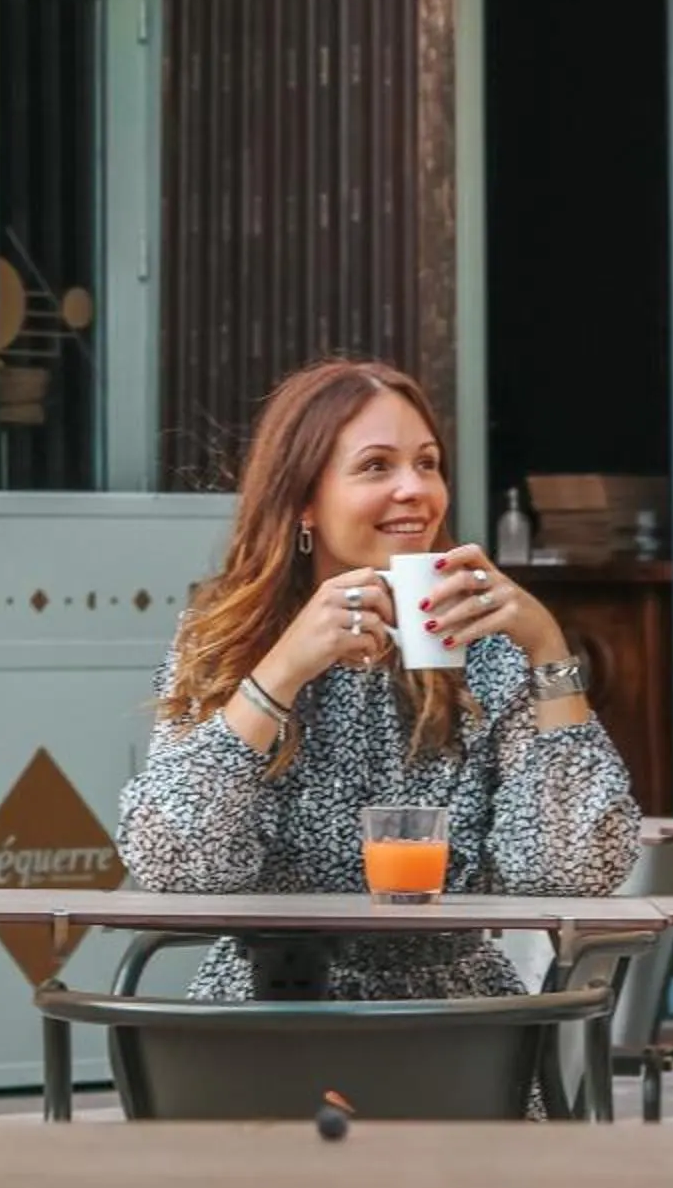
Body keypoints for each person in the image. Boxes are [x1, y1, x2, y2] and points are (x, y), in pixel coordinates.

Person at [116, 357, 639, 1006]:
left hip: (452, 1018)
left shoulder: (486, 653)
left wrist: (548, 652)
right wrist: (280, 672)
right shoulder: (228, 643)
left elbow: (573, 876)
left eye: (427, 463)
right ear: (303, 499)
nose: (415, 489)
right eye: (375, 466)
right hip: (268, 1008)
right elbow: (173, 865)